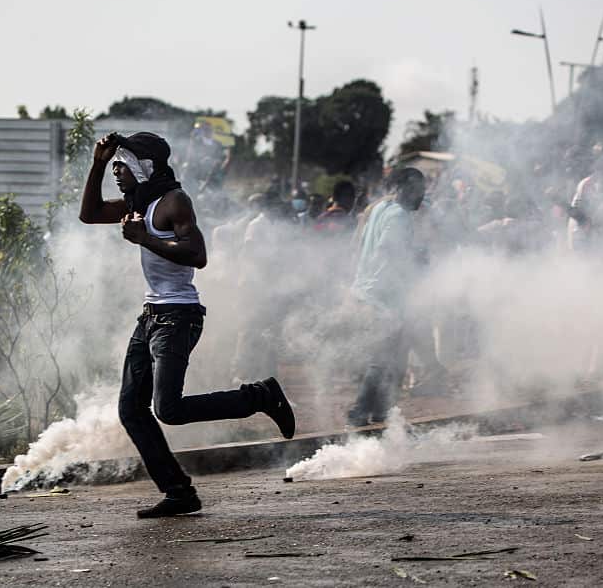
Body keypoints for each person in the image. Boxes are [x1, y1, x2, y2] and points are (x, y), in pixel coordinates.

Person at [79, 132, 295, 518]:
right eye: (113, 166)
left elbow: (198, 254)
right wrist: (96, 162)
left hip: (178, 316)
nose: (116, 173)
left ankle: (260, 396)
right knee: (131, 409)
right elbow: (90, 214)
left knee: (169, 409)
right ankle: (179, 492)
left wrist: (145, 239)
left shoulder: (173, 201)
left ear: (144, 168)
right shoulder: (138, 203)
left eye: (121, 166)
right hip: (151, 317)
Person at [347, 167, 426, 427]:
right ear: (403, 187)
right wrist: (415, 258)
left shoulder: (381, 209)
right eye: (418, 189)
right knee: (382, 357)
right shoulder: (398, 216)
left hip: (369, 291)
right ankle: (359, 411)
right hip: (383, 295)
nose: (421, 195)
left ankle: (382, 410)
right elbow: (388, 251)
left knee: (390, 355)